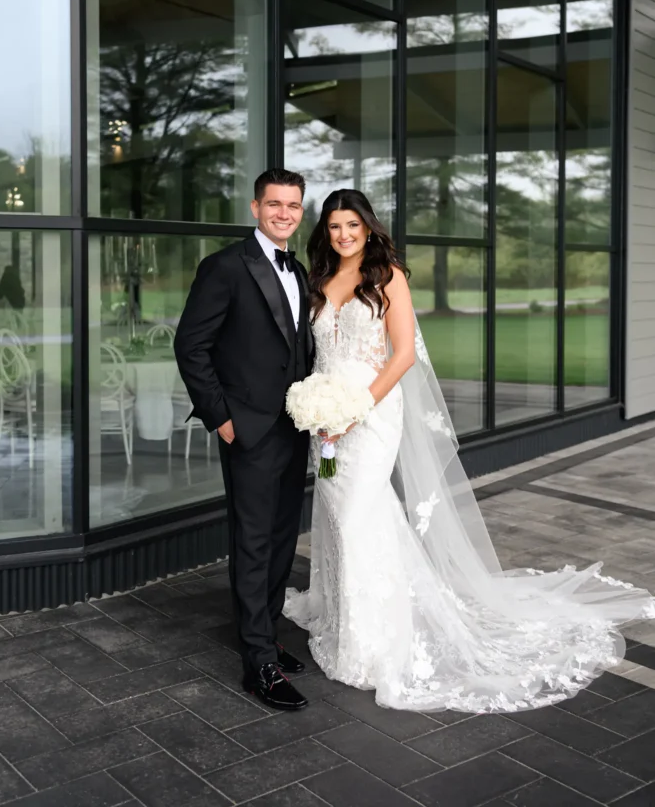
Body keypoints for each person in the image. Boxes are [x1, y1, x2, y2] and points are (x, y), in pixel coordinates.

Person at [284, 189, 655, 713]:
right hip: (326, 418)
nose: (343, 234)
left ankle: (372, 640)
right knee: (338, 512)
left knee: (356, 514)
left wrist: (356, 406)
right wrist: (319, 409)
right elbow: (319, 355)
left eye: (352, 225)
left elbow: (405, 354)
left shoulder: (387, 275)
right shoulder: (320, 279)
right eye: (334, 226)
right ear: (326, 232)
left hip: (371, 412)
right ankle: (345, 614)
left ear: (368, 227)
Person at [175, 168, 314, 711]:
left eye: (294, 205)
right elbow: (191, 347)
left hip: (294, 424)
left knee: (282, 538)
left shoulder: (297, 269)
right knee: (253, 541)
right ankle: (257, 664)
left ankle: (268, 638)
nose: (284, 213)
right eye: (274, 204)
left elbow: (297, 350)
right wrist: (221, 418)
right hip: (248, 428)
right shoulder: (225, 267)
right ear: (255, 207)